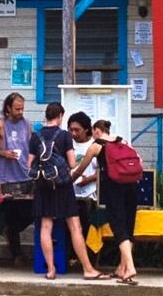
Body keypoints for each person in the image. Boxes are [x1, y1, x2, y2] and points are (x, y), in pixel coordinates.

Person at [28, 102, 111, 281]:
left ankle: (50, 270)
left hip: (43, 186)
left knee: (46, 227)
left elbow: (29, 164)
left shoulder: (35, 136)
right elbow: (73, 164)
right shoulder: (64, 136)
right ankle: (88, 269)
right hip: (63, 186)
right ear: (59, 116)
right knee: (75, 226)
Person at [74, 118, 139, 285]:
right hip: (131, 186)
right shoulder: (123, 141)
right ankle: (122, 268)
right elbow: (139, 160)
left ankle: (130, 267)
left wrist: (69, 180)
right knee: (128, 226)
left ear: (96, 131)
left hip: (114, 188)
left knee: (118, 226)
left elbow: (81, 168)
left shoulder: (96, 145)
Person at [0, 92, 32, 265]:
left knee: (28, 213)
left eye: (22, 108)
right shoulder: (0, 125)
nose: (20, 112)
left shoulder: (27, 124)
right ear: (8, 108)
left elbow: (30, 147)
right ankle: (16, 254)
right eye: (17, 109)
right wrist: (4, 153)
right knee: (11, 215)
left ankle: (11, 234)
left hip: (25, 175)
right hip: (7, 178)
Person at [68, 112, 98, 237]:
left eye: (77, 130)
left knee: (87, 230)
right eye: (71, 130)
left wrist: (89, 179)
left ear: (86, 129)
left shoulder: (95, 145)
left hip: (90, 196)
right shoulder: (68, 144)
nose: (73, 133)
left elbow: (103, 171)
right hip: (71, 195)